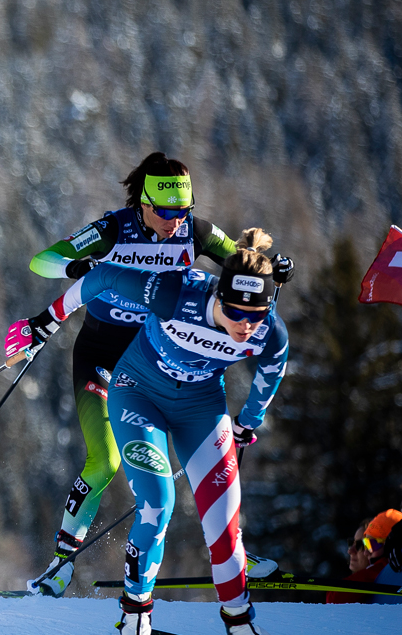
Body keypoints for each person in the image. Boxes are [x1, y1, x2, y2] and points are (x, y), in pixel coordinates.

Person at [8, 227, 299, 635]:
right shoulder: (174, 292)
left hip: (201, 407)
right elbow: (103, 278)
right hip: (137, 393)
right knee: (158, 502)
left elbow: (272, 372)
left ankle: (242, 627)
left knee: (224, 520)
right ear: (218, 296)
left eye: (255, 316)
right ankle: (134, 617)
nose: (245, 326)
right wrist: (46, 320)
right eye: (236, 313)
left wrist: (246, 424)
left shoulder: (268, 331)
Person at [24, 152, 262, 596]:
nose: (175, 222)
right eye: (165, 211)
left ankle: (237, 548)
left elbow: (243, 266)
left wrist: (271, 270)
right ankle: (60, 563)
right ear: (143, 203)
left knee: (206, 451)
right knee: (105, 461)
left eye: (183, 211)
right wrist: (75, 266)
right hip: (101, 353)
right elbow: (42, 261)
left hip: (155, 360)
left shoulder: (197, 232)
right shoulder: (114, 228)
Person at [328, 509, 402, 605]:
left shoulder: (385, 567)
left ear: (390, 545)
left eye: (372, 545)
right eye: (365, 544)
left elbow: (334, 598)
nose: (366, 552)